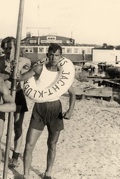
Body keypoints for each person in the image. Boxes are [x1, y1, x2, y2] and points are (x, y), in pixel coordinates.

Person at [17, 43, 76, 179]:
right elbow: (21, 78)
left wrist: (70, 111)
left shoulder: (63, 75)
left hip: (55, 109)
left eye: (57, 55)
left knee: (52, 143)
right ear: (47, 55)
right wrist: (18, 66)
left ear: (60, 57)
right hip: (39, 108)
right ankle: (26, 175)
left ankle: (48, 173)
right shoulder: (39, 69)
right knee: (29, 143)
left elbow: (73, 94)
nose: (54, 57)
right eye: (51, 54)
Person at [0, 36, 31, 167]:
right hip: (3, 94)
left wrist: (15, 70)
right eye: (6, 48)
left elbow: (23, 75)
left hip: (17, 93)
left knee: (17, 126)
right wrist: (1, 73)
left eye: (11, 48)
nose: (8, 51)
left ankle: (15, 155)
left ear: (16, 48)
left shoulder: (24, 60)